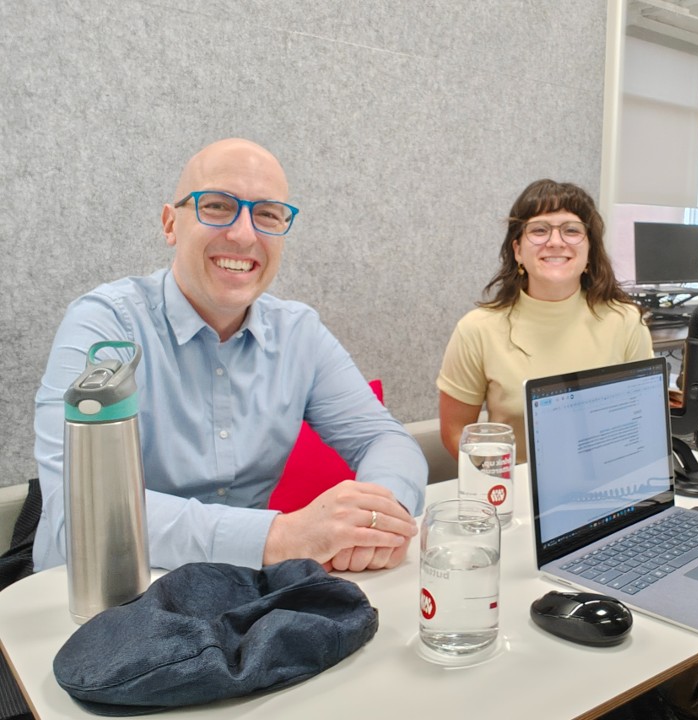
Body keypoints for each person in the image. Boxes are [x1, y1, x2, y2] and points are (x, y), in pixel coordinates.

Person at [33, 138, 425, 574]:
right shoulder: (105, 327)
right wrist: (279, 537)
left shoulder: (300, 333)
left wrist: (375, 521)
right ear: (170, 224)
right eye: (217, 206)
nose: (243, 234)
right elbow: (83, 516)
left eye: (267, 214)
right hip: (98, 599)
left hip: (240, 596)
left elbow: (384, 440)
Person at [437, 179, 653, 459]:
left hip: (608, 490)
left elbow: (646, 423)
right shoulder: (477, 329)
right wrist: (499, 482)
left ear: (589, 252)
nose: (555, 241)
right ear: (517, 251)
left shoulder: (625, 322)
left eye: (571, 230)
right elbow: (455, 432)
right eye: (539, 230)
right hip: (515, 494)